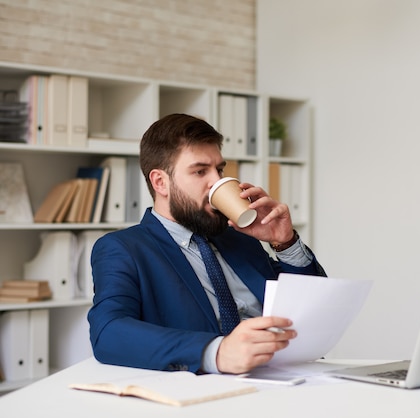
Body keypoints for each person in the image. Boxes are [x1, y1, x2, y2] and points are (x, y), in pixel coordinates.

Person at [88, 113, 326, 375]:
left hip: (289, 375)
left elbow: (312, 307)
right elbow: (108, 332)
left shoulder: (239, 238)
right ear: (160, 182)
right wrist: (217, 352)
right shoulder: (124, 248)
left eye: (220, 169)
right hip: (208, 390)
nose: (217, 181)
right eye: (200, 171)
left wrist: (285, 242)